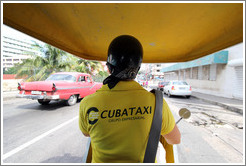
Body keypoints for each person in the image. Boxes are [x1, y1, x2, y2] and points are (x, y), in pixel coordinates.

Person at [79, 35, 181, 163]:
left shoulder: (87, 103)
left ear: (109, 68)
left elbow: (87, 133)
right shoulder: (157, 103)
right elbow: (175, 140)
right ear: (137, 69)